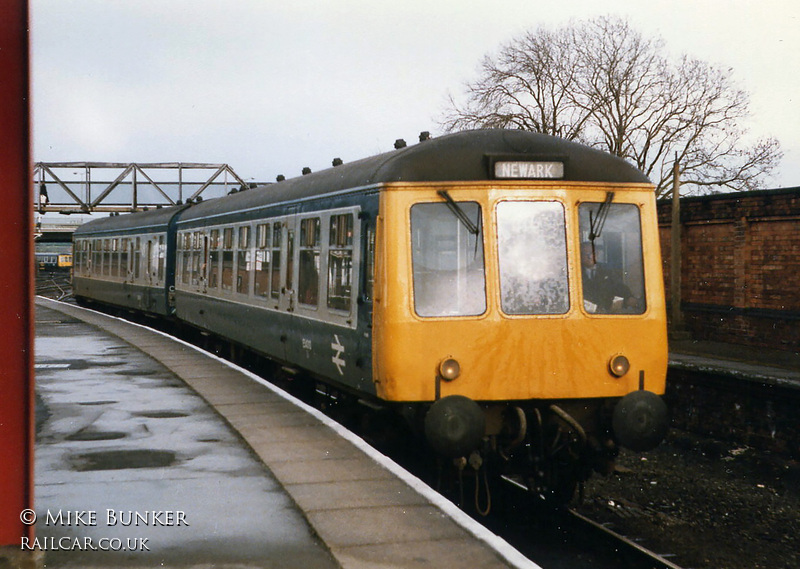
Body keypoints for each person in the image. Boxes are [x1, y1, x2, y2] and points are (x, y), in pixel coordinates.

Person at [580, 242, 640, 314]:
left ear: (597, 254)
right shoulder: (577, 272)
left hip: (607, 313)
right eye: (585, 254)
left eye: (592, 253)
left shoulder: (607, 270)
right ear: (580, 256)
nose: (590, 257)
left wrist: (628, 297)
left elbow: (619, 286)